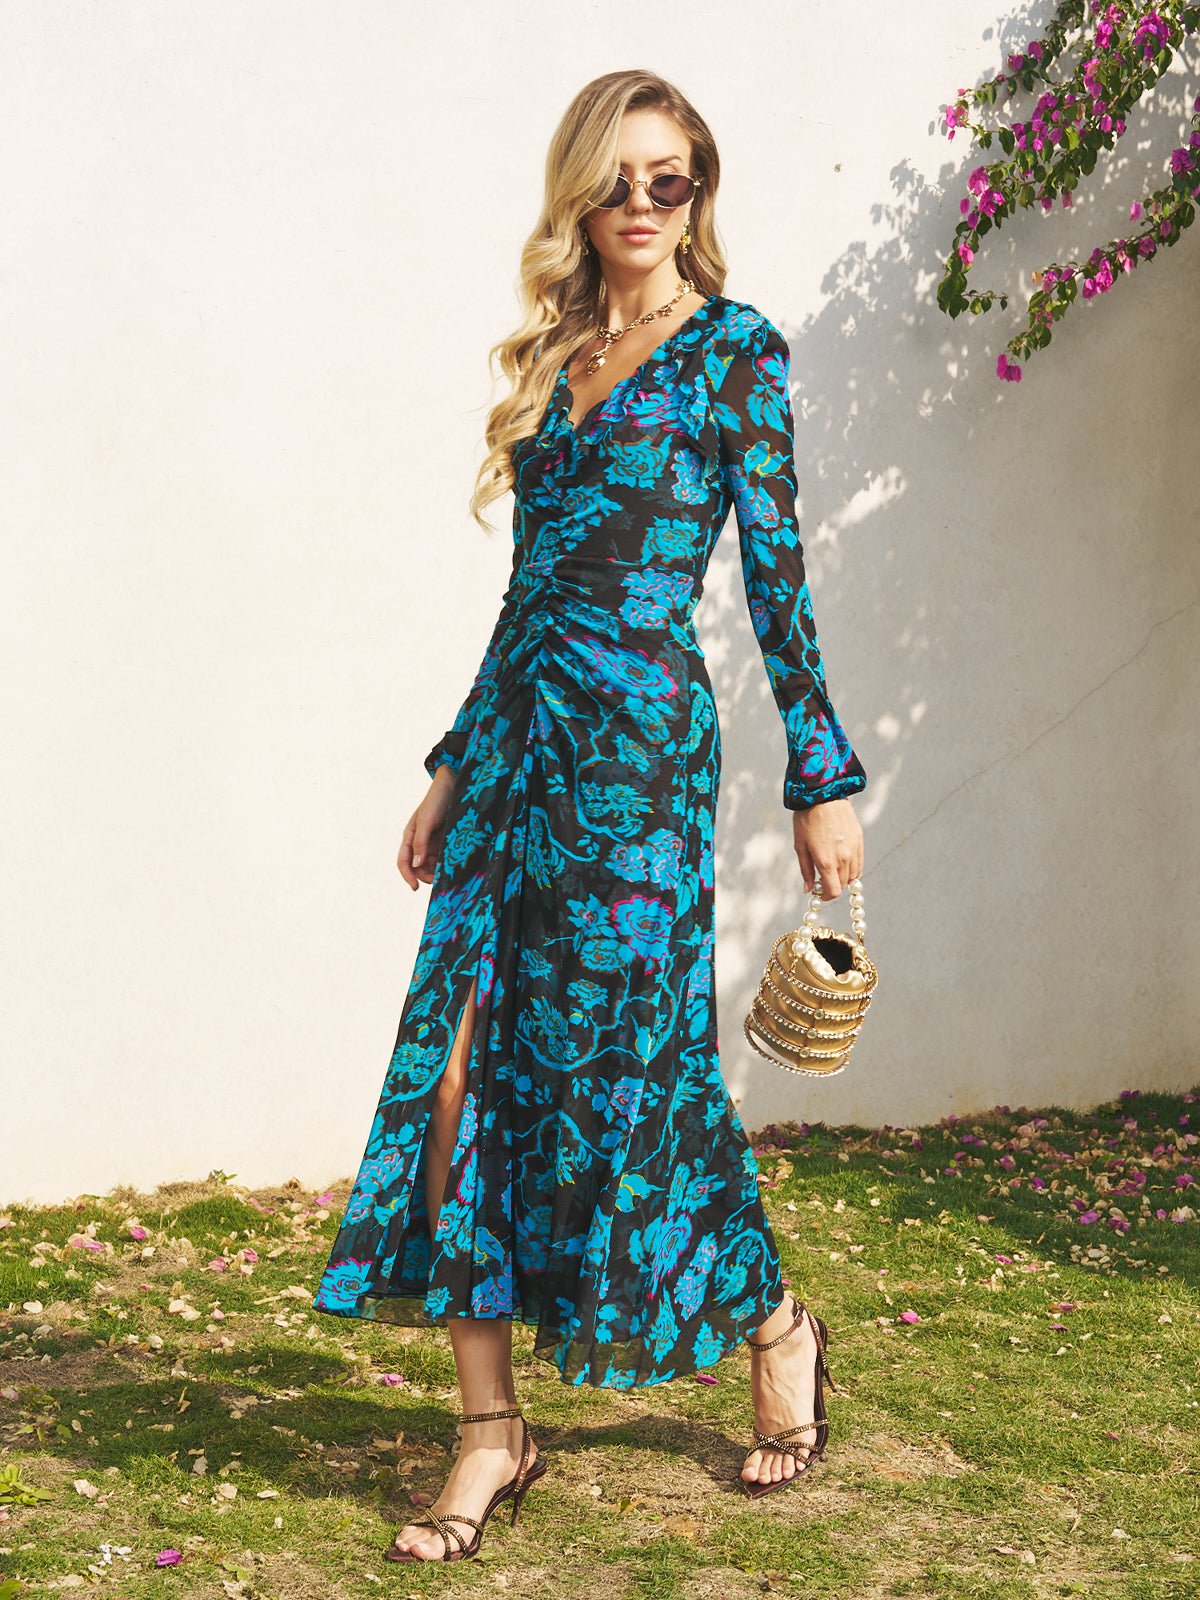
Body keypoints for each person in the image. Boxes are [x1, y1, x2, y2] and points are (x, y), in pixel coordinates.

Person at [312, 67, 868, 1562]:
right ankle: (491, 1433)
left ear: (700, 190)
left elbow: (776, 580)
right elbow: (527, 599)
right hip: (518, 765)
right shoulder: (560, 355)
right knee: (459, 1079)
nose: (640, 204)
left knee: (634, 1081)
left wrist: (822, 775)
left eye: (667, 178)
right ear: (581, 193)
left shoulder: (735, 354)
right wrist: (451, 760)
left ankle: (776, 1324)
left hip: (637, 762)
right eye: (616, 180)